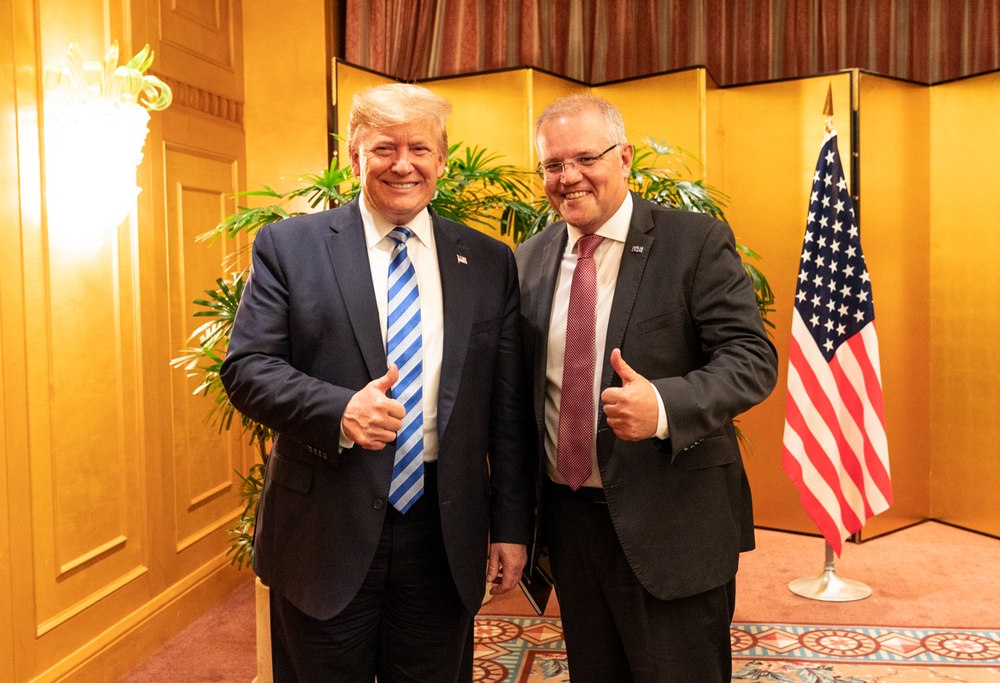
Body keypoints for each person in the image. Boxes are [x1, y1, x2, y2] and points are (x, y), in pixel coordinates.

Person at [221, 83, 534, 682]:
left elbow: (507, 410)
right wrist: (338, 410)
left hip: (443, 531)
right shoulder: (291, 247)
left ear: (442, 158)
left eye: (420, 147)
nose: (403, 163)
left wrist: (512, 527)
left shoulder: (489, 261)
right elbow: (247, 368)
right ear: (354, 154)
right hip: (323, 532)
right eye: (385, 146)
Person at [515, 93, 778, 682]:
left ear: (625, 156)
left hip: (672, 518)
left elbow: (751, 357)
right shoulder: (527, 261)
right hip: (570, 519)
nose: (569, 177)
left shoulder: (694, 242)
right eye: (553, 165)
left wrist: (663, 404)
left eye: (586, 157)